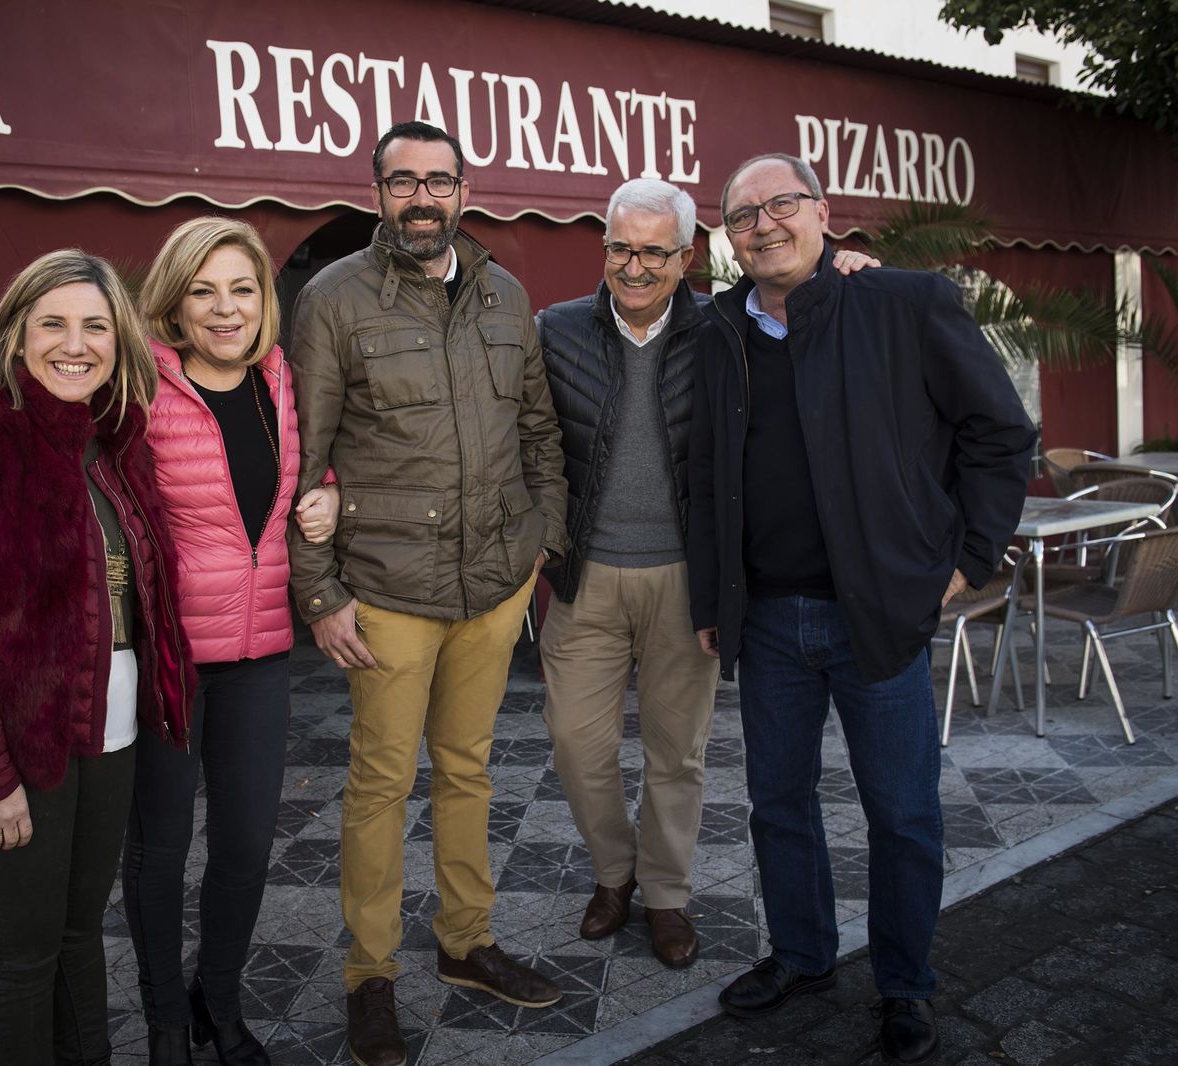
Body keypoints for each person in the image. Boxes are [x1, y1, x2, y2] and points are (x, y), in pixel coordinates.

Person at [688, 153, 1035, 1064]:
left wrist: (968, 558)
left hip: (875, 611)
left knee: (902, 811)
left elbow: (999, 431)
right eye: (743, 215)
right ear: (728, 238)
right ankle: (803, 956)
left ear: (822, 213)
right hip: (765, 617)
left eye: (782, 205)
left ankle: (905, 985)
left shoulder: (897, 302)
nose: (764, 224)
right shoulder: (717, 328)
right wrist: (711, 596)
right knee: (777, 804)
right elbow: (703, 475)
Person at [536, 178, 878, 970]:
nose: (636, 266)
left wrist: (857, 265)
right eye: (622, 247)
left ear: (687, 256)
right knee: (575, 747)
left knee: (676, 754)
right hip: (584, 578)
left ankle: (663, 894)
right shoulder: (554, 330)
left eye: (656, 252)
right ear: (605, 246)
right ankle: (613, 873)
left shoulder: (724, 327)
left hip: (688, 581)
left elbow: (809, 299)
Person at [287, 120, 569, 1066]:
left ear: (462, 191)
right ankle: (371, 976)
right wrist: (320, 592)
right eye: (402, 182)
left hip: (492, 587)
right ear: (376, 193)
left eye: (438, 181)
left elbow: (539, 433)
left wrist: (540, 543)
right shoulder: (333, 301)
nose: (421, 197)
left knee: (470, 769)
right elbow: (305, 455)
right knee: (378, 783)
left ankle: (465, 942)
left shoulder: (505, 293)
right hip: (389, 595)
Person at [0, 249, 195, 1066]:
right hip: (7, 739)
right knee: (24, 949)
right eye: (52, 322)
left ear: (119, 341)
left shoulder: (112, 443)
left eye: (95, 326)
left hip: (110, 724)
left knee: (79, 932)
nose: (74, 343)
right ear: (15, 332)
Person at [124, 216, 339, 1066]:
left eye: (242, 289)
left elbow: (293, 473)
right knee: (161, 851)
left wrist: (328, 493)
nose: (225, 309)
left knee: (247, 847)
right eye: (203, 291)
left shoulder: (279, 380)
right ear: (173, 303)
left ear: (264, 301)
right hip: (169, 660)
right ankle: (165, 1025)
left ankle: (219, 997)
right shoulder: (138, 387)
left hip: (259, 656)